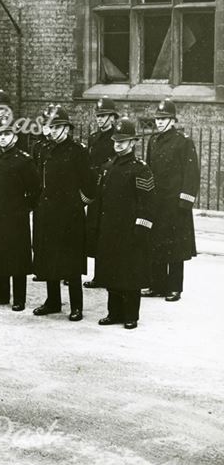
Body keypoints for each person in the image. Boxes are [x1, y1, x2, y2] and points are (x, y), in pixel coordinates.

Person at [31, 106, 95, 321]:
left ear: (67, 129)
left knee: (71, 262)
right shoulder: (42, 149)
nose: (54, 131)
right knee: (49, 258)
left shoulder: (77, 151)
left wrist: (78, 205)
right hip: (47, 213)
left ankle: (76, 306)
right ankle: (52, 301)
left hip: (69, 215)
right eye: (51, 126)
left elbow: (90, 185)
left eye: (59, 127)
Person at [93, 118, 154, 329]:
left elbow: (147, 204)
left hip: (130, 230)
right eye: (116, 140)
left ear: (133, 142)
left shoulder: (141, 169)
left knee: (130, 274)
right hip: (110, 229)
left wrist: (141, 229)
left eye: (123, 141)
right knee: (111, 271)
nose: (118, 144)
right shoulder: (108, 167)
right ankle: (114, 313)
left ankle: (130, 315)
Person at [0, 120, 40, 312]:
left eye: (7, 134)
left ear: (14, 136)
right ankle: (1, 293)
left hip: (15, 216)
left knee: (16, 258)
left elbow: (35, 189)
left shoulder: (24, 160)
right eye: (0, 134)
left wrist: (24, 208)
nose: (3, 138)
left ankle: (19, 298)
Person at [144, 99, 200, 302]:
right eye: (158, 119)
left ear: (173, 120)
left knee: (175, 248)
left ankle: (174, 287)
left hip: (175, 205)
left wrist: (184, 203)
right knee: (156, 244)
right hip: (157, 203)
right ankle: (157, 285)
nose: (159, 122)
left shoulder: (183, 142)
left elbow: (191, 174)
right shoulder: (153, 141)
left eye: (164, 119)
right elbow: (148, 170)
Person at [84, 97, 118, 288]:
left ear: (112, 118)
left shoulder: (117, 137)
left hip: (111, 189)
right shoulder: (94, 138)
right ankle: (99, 275)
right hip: (95, 189)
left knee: (109, 232)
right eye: (98, 116)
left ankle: (110, 274)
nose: (100, 119)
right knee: (95, 230)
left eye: (104, 116)